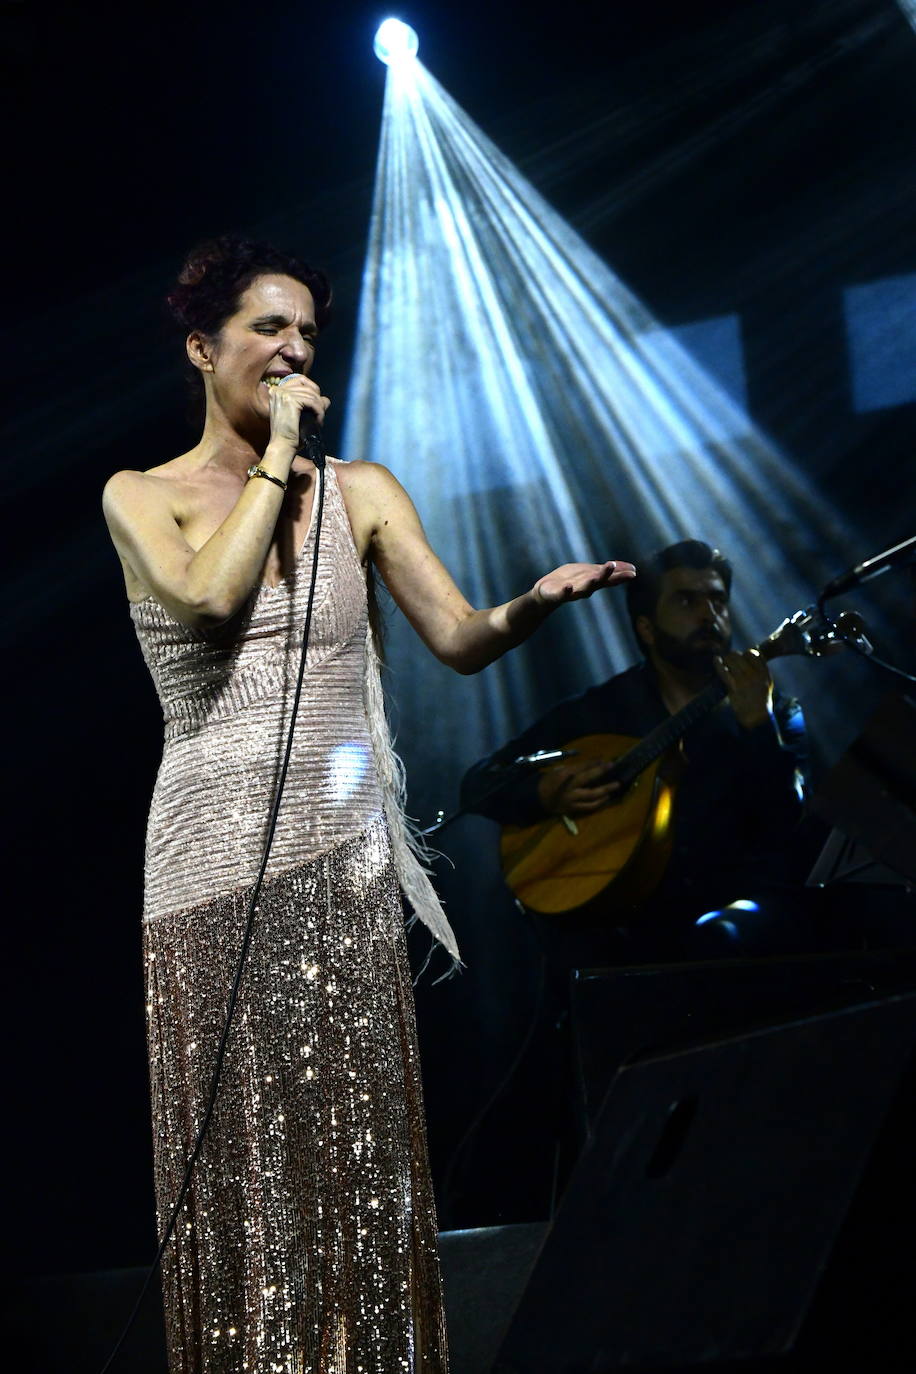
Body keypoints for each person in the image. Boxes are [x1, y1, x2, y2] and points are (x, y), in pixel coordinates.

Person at [102, 235, 635, 1374]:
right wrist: (277, 457)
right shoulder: (139, 496)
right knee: (245, 1161)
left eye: (308, 335)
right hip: (206, 867)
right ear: (204, 349)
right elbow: (208, 597)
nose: (296, 352)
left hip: (335, 859)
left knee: (354, 1151)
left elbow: (457, 639)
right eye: (267, 330)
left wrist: (532, 604)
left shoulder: (364, 493)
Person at [460, 539, 810, 960]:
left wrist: (759, 725)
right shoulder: (602, 710)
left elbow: (791, 826)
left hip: (734, 940)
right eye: (686, 601)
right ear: (646, 628)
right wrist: (544, 793)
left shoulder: (773, 709)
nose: (708, 615)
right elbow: (479, 783)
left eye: (717, 600)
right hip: (619, 934)